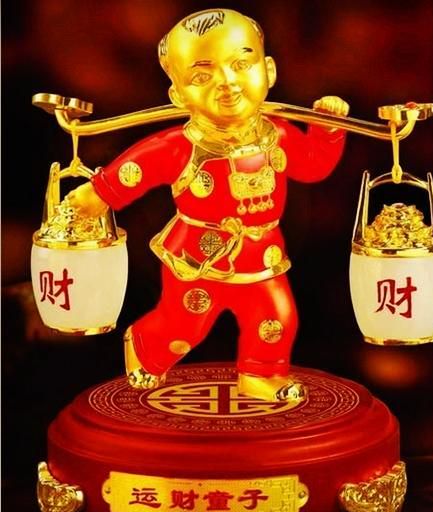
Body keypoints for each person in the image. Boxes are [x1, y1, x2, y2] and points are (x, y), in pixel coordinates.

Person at [69, 8, 349, 401]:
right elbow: (136, 168)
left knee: (277, 317)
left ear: (268, 71)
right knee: (185, 326)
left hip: (261, 252)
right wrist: (98, 193)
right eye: (202, 77)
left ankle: (261, 374)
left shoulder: (278, 136)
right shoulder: (181, 146)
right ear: (178, 95)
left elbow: (313, 166)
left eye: (241, 65)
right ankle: (145, 346)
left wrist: (327, 129)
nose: (228, 83)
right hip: (198, 255)